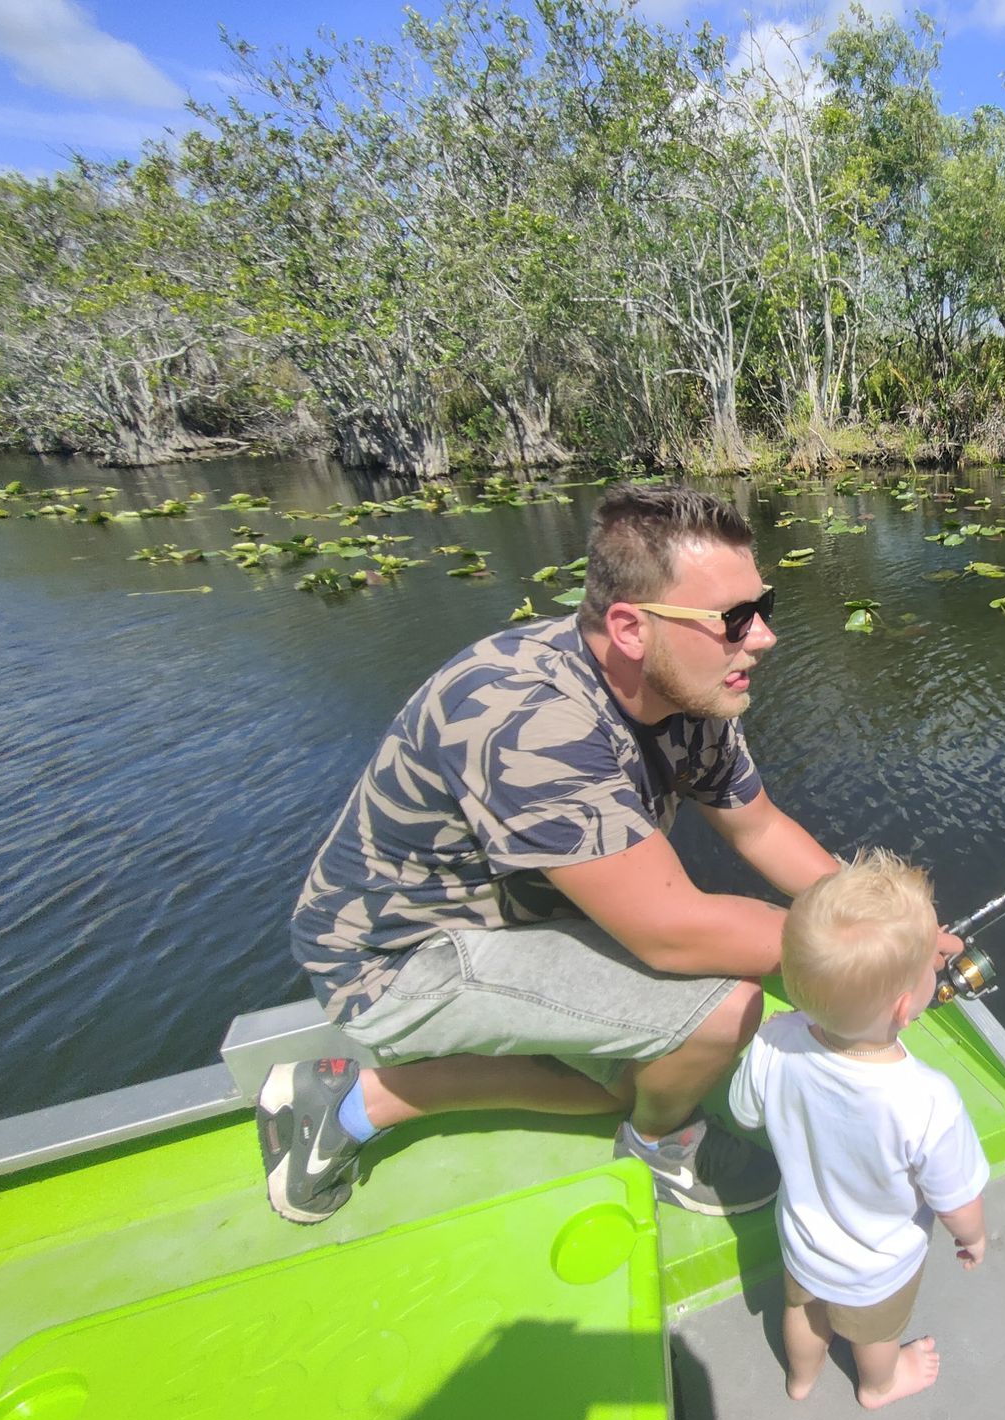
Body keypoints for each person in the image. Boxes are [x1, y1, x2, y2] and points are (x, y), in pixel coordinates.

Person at [258, 482, 848, 1225]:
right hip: (396, 958)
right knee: (721, 1014)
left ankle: (367, 1093)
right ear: (632, 628)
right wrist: (870, 951)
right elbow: (672, 933)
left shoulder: (685, 687)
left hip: (520, 919)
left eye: (765, 608)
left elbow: (759, 828)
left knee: (637, 1076)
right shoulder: (527, 715)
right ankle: (652, 1148)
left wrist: (874, 910)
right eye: (734, 619)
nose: (762, 637)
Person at [729, 850, 990, 1411]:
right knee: (874, 1334)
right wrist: (973, 1237)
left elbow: (746, 1113)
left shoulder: (774, 1042)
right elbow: (956, 1197)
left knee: (803, 1310)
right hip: (879, 1262)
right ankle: (879, 1386)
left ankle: (800, 1379)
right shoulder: (928, 1101)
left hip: (802, 1238)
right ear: (904, 1008)